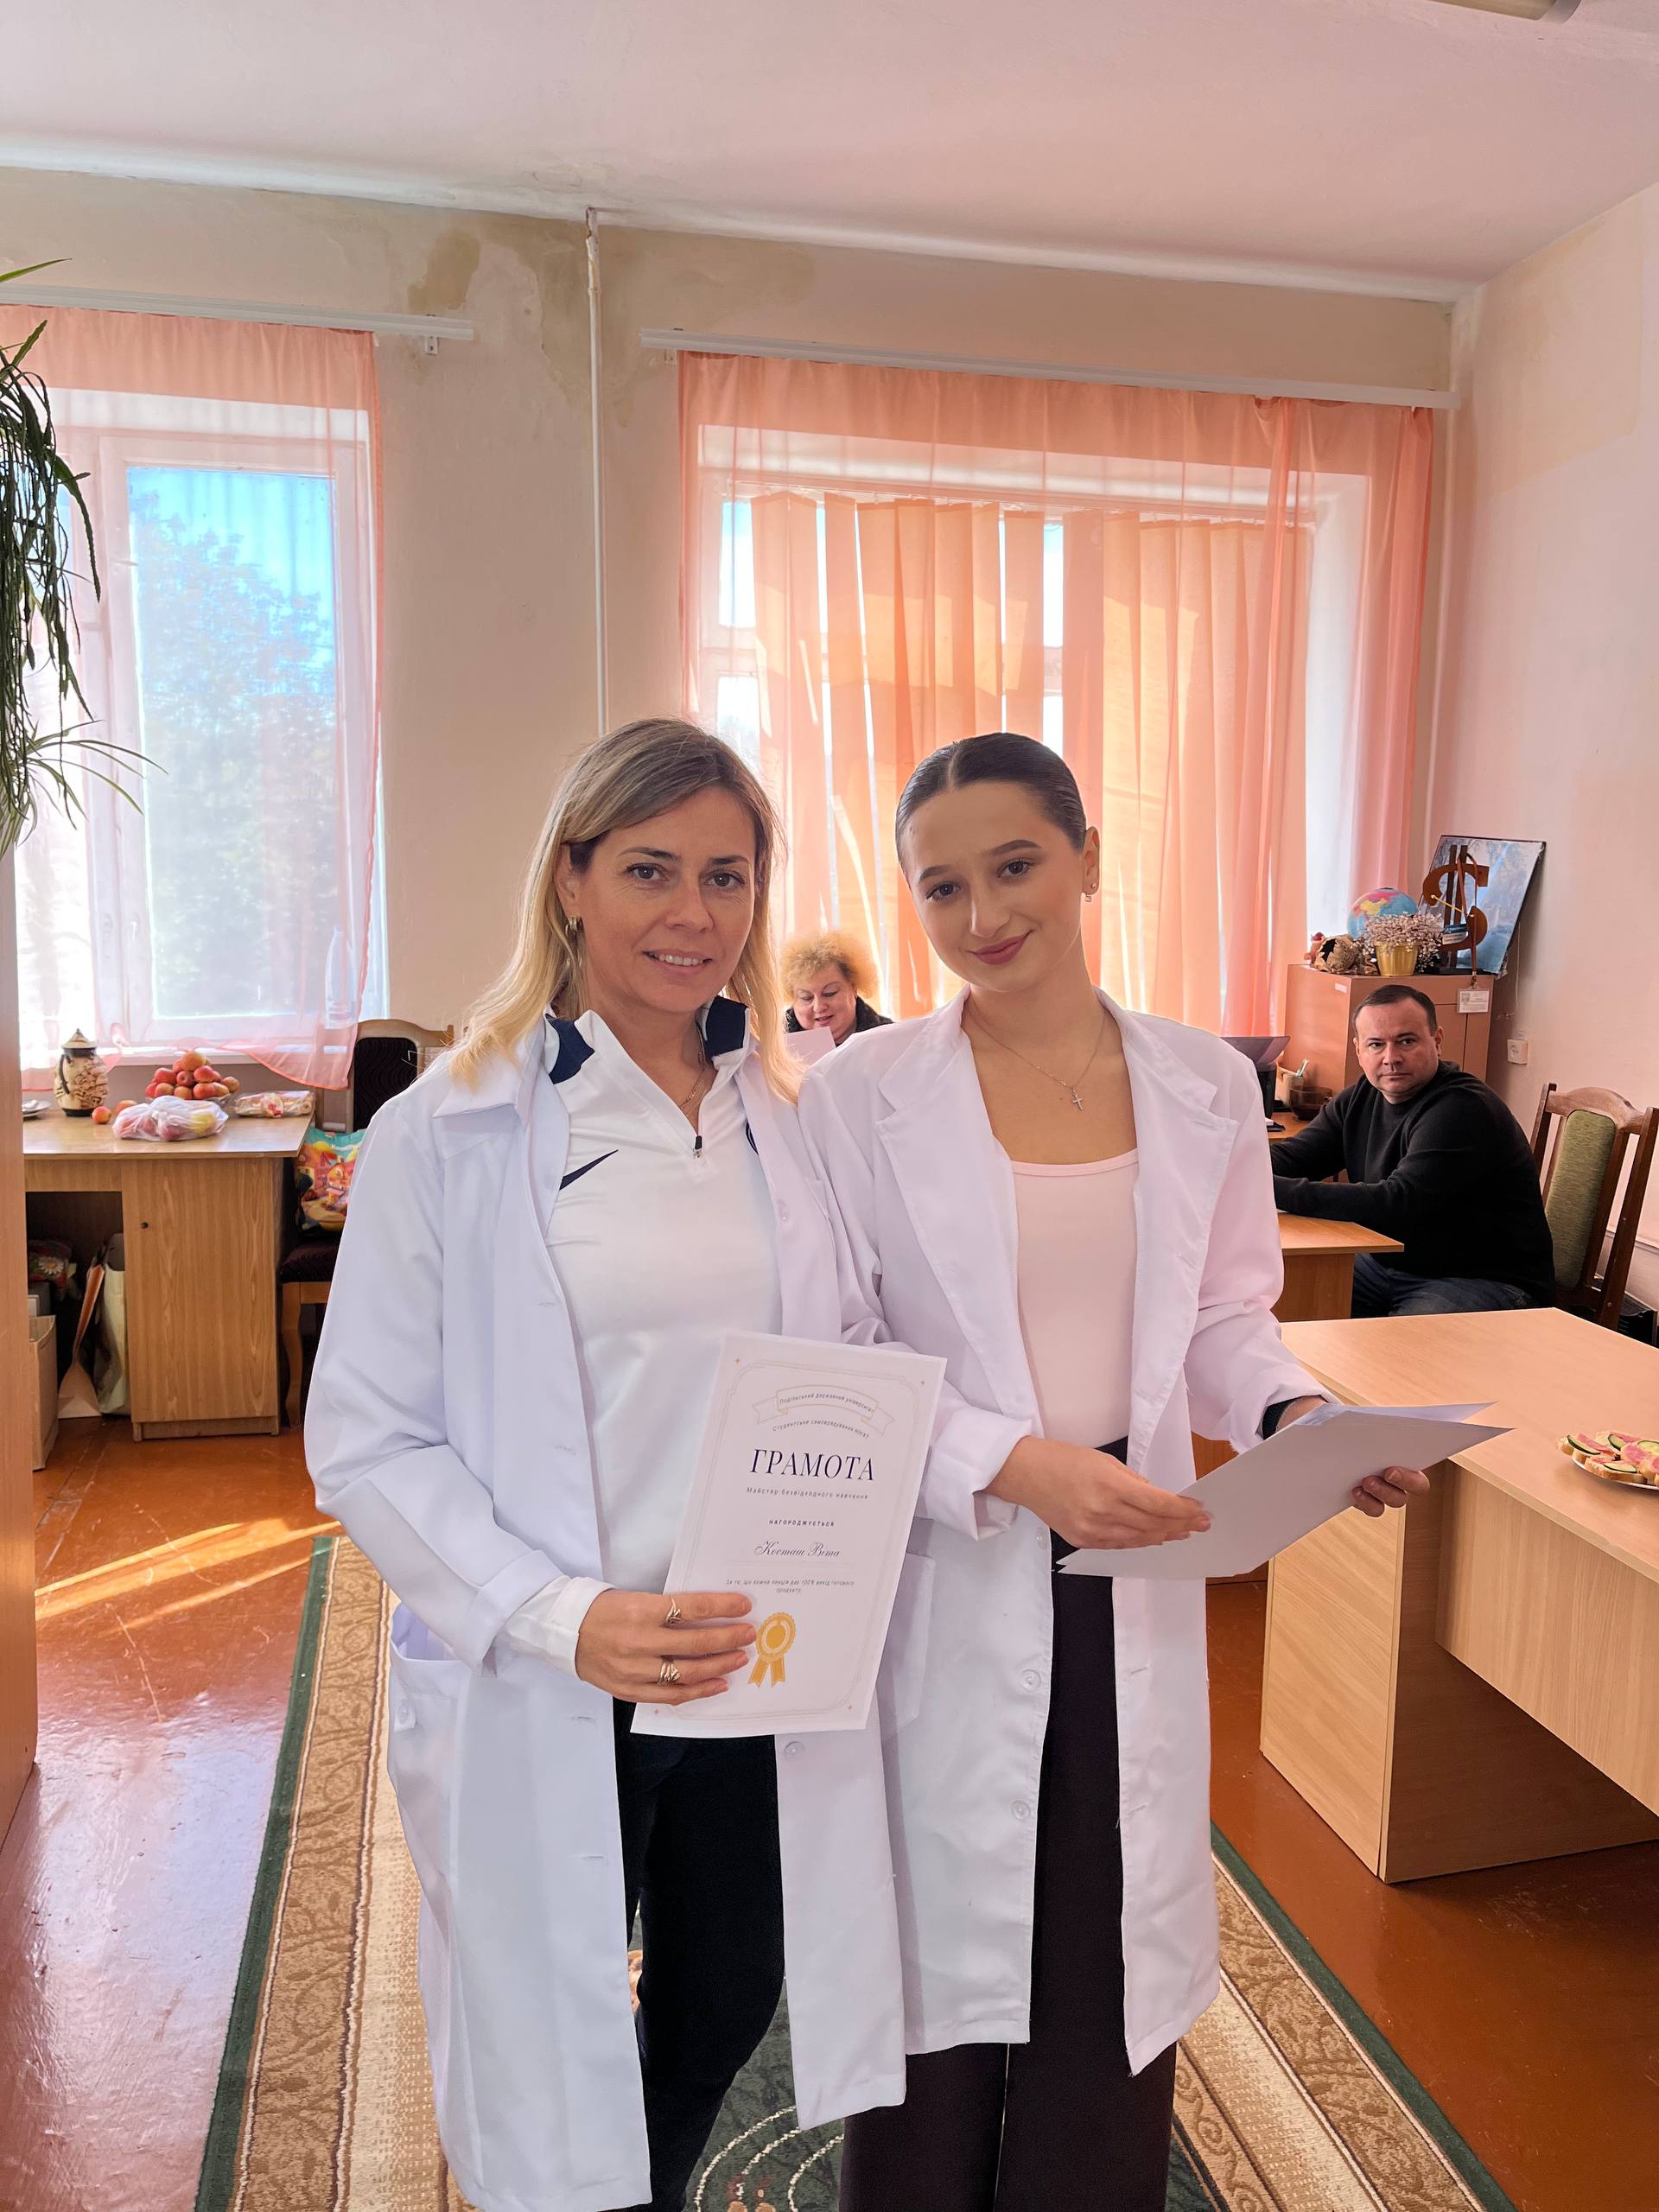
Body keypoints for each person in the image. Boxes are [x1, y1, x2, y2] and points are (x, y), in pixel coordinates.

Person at [797, 732, 1428, 2212]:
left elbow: (1223, 1317)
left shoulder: (1201, 1081)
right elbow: (834, 1354)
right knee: (941, 1953)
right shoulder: (858, 1094)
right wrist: (1014, 1466)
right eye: (940, 888)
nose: (981, 916)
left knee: (1105, 1939)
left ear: (1086, 856)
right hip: (951, 1552)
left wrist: (1290, 1417)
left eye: (1015, 865)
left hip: (1135, 1554)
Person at [306, 720, 907, 2212]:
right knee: (542, 2021)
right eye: (649, 870)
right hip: (557, 1667)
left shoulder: (787, 1121)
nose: (693, 913)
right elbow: (367, 1436)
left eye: (727, 876)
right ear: (571, 879)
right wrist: (560, 1615)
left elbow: (847, 1359)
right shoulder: (450, 1129)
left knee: (727, 1991)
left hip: (750, 1657)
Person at [1272, 981, 1555, 1317]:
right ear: (1359, 1050)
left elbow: (1396, 1203)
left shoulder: (1462, 1108)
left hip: (1481, 1278)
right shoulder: (1361, 1097)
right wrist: (1229, 1162)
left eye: (1406, 1041)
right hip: (1388, 1264)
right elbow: (1294, 1157)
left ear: (1437, 1040)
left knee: (1399, 1346)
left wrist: (1264, 1187)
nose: (1391, 1058)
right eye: (1376, 1044)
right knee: (1275, 1294)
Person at [781, 929, 890, 1047]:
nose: (819, 1007)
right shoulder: (772, 1042)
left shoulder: (890, 1040)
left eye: (829, 993)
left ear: (853, 988)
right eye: (806, 997)